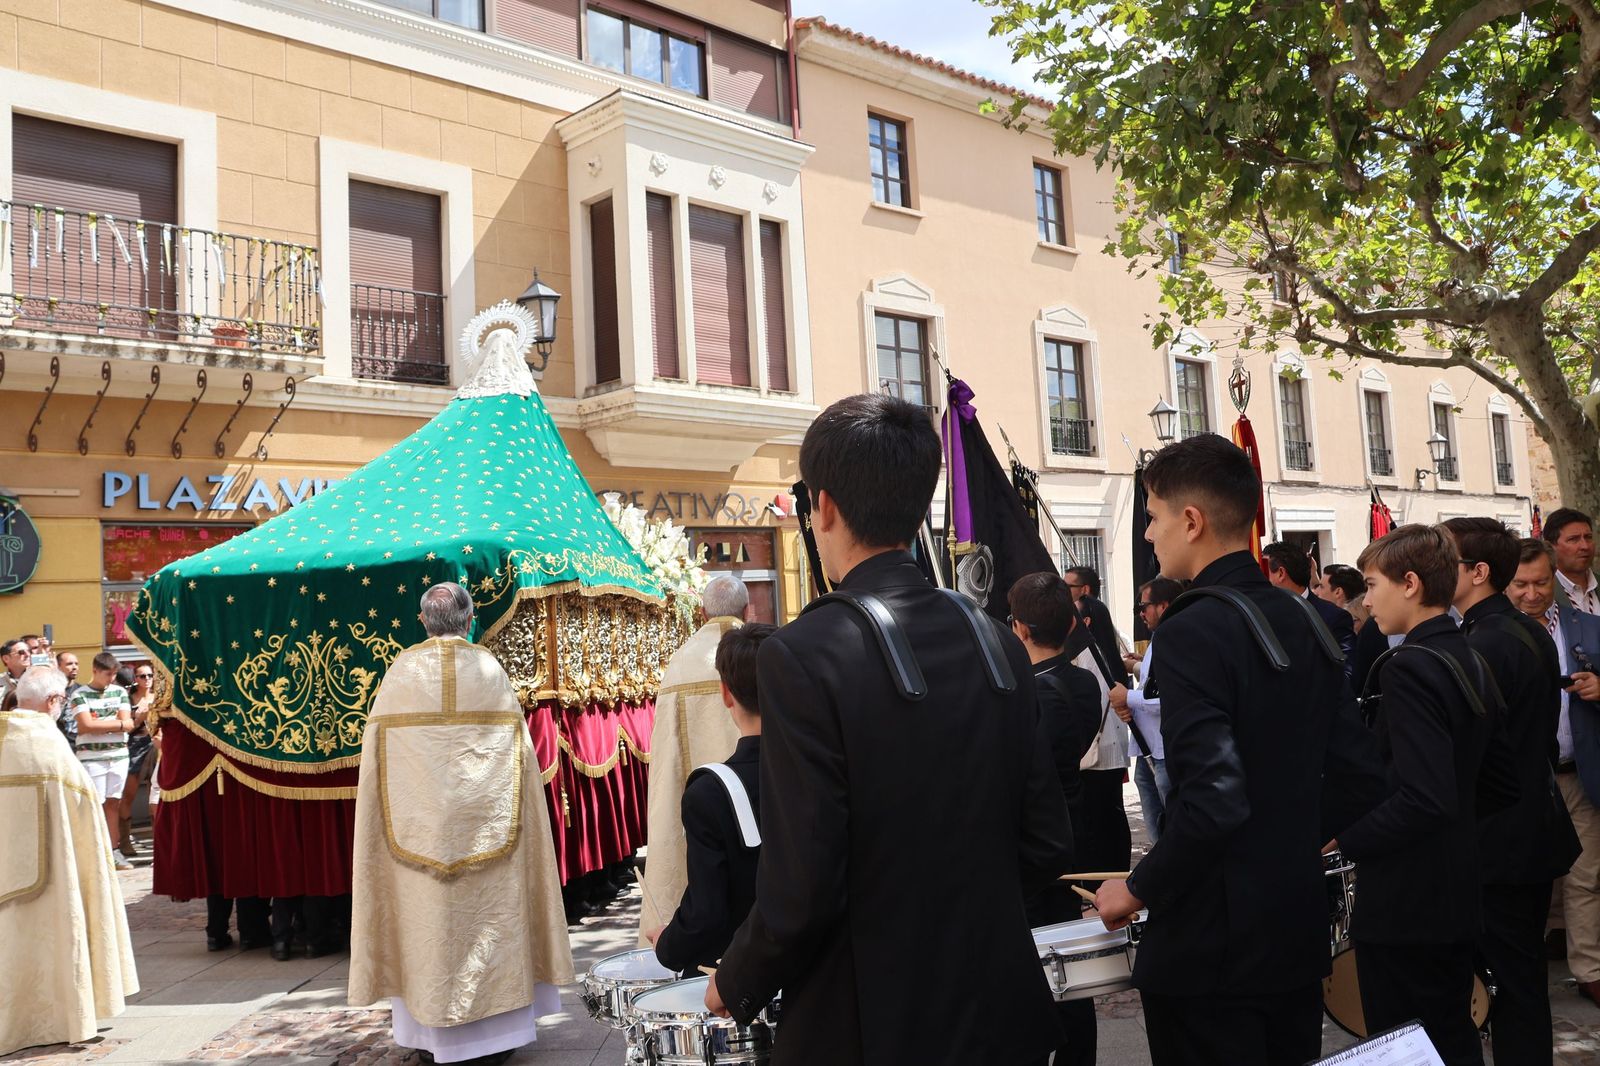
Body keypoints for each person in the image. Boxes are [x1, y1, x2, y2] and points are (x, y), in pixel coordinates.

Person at [706, 393, 1075, 1065]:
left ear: (823, 507)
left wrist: (736, 979)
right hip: (1002, 1011)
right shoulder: (996, 638)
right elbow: (1046, 840)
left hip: (873, 1024)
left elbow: (803, 883)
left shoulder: (801, 652)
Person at [1094, 433, 1381, 1066]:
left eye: (1153, 517)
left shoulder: (1192, 628)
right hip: (1293, 931)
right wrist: (1285, 845)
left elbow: (1213, 801)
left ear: (1192, 521)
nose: (1149, 534)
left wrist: (1138, 887)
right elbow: (1361, 777)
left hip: (1211, 952)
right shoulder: (1306, 618)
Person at [349, 583, 574, 1066]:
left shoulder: (400, 674)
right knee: (490, 925)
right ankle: (497, 1040)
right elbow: (519, 761)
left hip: (414, 835)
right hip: (490, 833)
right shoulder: (489, 671)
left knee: (425, 929)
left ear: (422, 621)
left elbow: (378, 765)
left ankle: (428, 1038)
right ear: (470, 621)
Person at [1333, 524, 1516, 1066]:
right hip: (1456, 890)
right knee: (1450, 1033)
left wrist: (1346, 839)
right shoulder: (1467, 654)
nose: (1367, 600)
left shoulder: (1410, 666)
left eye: (1372, 584)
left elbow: (1426, 797)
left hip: (1407, 902)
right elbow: (1501, 781)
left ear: (1409, 583)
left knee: (1406, 1044)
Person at [1442, 518, 1576, 1064]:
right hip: (1525, 829)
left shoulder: (1487, 641)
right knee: (1519, 980)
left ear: (1477, 572)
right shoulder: (1516, 630)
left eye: (1444, 559)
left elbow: (1479, 753)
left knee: (1511, 984)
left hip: (1502, 839)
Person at [0, 667, 139, 1056]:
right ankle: (62, 1016)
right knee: (57, 940)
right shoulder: (49, 744)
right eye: (62, 700)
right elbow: (85, 812)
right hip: (52, 880)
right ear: (52, 701)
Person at [1009, 571, 1101, 1066]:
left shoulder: (1022, 695)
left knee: (1032, 966)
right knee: (1071, 965)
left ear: (1019, 628)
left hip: (1030, 841)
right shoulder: (1085, 682)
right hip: (1073, 827)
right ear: (1070, 625)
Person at [648, 623, 774, 974]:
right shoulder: (823, 769)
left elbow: (706, 914)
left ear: (726, 694)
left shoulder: (709, 795)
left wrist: (667, 944)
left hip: (741, 976)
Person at [1512, 536, 1600, 1010]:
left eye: (1541, 583)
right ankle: (1521, 970)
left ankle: (1590, 970)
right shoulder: (1489, 633)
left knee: (1587, 874)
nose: (1532, 594)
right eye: (1521, 584)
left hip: (1578, 772)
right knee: (1526, 876)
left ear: (1556, 581)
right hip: (1520, 781)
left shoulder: (1586, 626)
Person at [637, 574, 748, 941]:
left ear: (701, 612)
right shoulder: (763, 653)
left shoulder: (681, 664)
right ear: (748, 611)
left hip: (701, 812)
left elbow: (667, 763)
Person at [1110, 577, 1181, 844]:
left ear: (1163, 606)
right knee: (1157, 833)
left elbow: (1170, 698)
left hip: (1165, 752)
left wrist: (1127, 697)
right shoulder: (1158, 639)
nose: (1141, 613)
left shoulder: (1175, 640)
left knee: (1174, 830)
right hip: (1146, 747)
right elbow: (1153, 685)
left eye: (1144, 607)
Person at [69, 651, 134, 871]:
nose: (111, 679)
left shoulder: (119, 692)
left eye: (114, 674)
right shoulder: (80, 694)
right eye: (108, 674)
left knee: (113, 803)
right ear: (95, 671)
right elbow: (85, 725)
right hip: (91, 757)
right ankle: (93, 853)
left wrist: (103, 724)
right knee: (93, 804)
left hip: (118, 755)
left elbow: (128, 723)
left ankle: (113, 851)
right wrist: (116, 724)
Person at [1264, 541, 1358, 684]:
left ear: (1281, 573)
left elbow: (1346, 675)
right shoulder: (1262, 614)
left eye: (1264, 571)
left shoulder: (1334, 617)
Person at [117, 663, 156, 857]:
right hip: (135, 745)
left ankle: (159, 839)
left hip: (156, 744)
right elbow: (126, 727)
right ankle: (124, 841)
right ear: (135, 679)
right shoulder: (128, 698)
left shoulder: (158, 697)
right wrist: (139, 718)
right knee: (128, 794)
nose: (147, 679)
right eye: (142, 676)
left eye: (150, 675)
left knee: (155, 794)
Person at [1545, 507, 1599, 614]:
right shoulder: (1542, 592)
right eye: (1573, 539)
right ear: (1551, 547)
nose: (1585, 546)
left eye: (1588, 537)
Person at [55, 650, 81, 747]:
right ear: (58, 667)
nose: (74, 667)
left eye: (76, 664)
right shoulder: (52, 692)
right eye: (69, 664)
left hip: (79, 745)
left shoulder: (82, 691)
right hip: (59, 745)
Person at [0, 637, 29, 702]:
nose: (27, 654)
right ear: (6, 658)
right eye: (21, 652)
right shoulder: (1, 680)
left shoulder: (38, 678)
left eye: (29, 651)